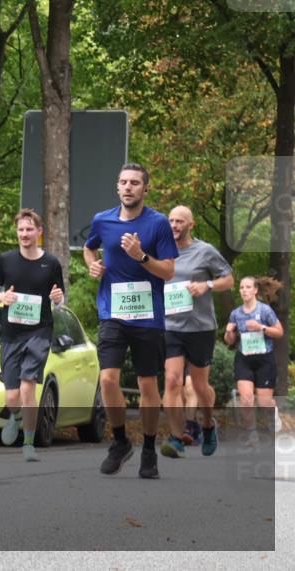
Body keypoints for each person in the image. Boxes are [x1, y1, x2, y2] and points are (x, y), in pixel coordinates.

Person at [84, 163, 177, 479]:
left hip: (148, 316)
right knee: (108, 379)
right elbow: (89, 248)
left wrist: (142, 257)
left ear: (145, 189)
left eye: (135, 182)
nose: (128, 187)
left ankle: (149, 449)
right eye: (123, 182)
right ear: (117, 186)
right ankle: (121, 441)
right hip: (112, 311)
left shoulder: (158, 223)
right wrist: (93, 265)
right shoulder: (103, 220)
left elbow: (169, 271)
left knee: (147, 384)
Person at [0, 209, 65, 462]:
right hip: (11, 333)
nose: (24, 234)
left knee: (27, 386)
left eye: (29, 229)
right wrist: (2, 297)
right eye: (21, 229)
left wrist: (58, 299)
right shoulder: (5, 260)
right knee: (12, 396)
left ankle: (29, 443)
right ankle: (16, 415)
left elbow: (60, 300)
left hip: (39, 331)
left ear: (39, 232)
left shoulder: (51, 263)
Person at [160, 205, 233, 459]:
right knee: (172, 380)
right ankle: (176, 437)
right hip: (170, 326)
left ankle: (208, 425)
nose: (174, 225)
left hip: (200, 327)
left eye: (179, 221)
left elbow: (229, 279)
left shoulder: (205, 251)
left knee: (200, 387)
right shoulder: (161, 250)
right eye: (171, 220)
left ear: (191, 225)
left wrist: (206, 285)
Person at [224, 276, 284, 447]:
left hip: (264, 359)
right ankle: (252, 434)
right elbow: (229, 341)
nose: (244, 290)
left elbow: (279, 332)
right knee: (246, 398)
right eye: (241, 287)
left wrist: (261, 328)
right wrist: (229, 332)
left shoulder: (265, 311)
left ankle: (274, 418)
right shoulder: (236, 313)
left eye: (248, 287)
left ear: (255, 290)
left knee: (264, 402)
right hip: (244, 358)